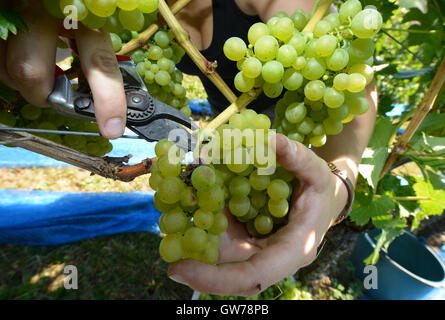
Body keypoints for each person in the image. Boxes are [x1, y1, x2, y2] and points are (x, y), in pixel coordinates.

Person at [0, 0, 378, 297]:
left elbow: (357, 83)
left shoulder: (277, 4)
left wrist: (339, 183)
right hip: (230, 128)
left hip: (287, 138)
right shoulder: (130, 13)